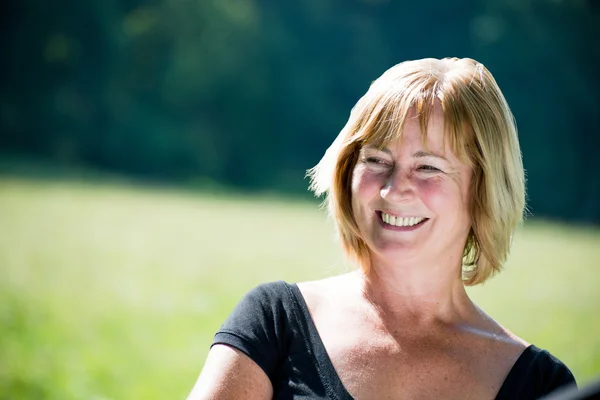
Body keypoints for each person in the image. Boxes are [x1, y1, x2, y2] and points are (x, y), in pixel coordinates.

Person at [188, 57, 577, 399]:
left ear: (484, 188)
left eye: (428, 167)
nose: (393, 189)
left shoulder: (541, 384)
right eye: (376, 160)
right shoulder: (275, 322)